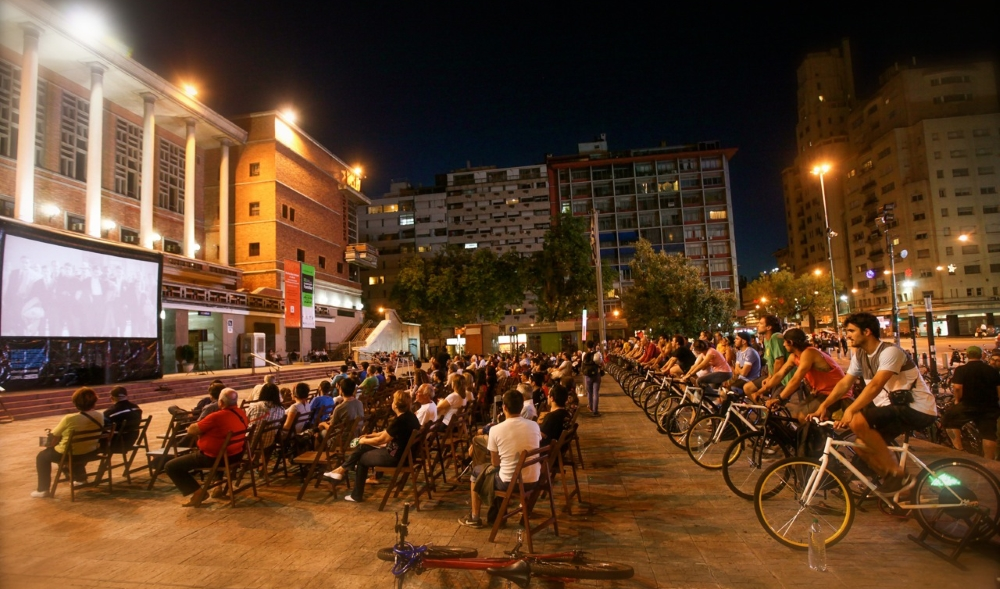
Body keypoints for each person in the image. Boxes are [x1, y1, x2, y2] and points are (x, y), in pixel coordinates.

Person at [808, 313, 937, 495]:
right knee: (861, 445)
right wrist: (823, 406)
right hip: (893, 408)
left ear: (867, 331)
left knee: (857, 420)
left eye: (851, 331)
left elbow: (876, 385)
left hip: (917, 408)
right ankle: (902, 489)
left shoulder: (890, 352)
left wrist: (851, 410)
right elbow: (845, 383)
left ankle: (898, 475)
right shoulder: (861, 355)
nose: (848, 335)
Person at [459, 389, 542, 528]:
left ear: (504, 407)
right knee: (497, 471)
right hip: (534, 479)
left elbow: (495, 462)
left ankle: (475, 517)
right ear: (521, 407)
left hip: (510, 482)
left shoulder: (496, 430)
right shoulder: (534, 425)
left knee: (477, 473)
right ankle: (497, 515)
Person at [324, 390, 421, 502]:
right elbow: (386, 433)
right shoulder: (409, 416)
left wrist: (364, 440)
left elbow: (382, 440)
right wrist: (369, 436)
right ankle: (340, 470)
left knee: (362, 458)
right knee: (363, 448)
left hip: (395, 457)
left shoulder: (400, 421)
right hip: (404, 454)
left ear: (395, 405)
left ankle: (356, 494)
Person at [165, 388, 248, 507]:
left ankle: (198, 492)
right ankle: (216, 483)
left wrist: (191, 428)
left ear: (221, 402)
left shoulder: (216, 416)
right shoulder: (241, 413)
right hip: (236, 454)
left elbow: (193, 430)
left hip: (215, 457)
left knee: (171, 466)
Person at [33, 387, 105, 497]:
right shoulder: (100, 415)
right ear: (94, 401)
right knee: (76, 445)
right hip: (90, 451)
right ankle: (80, 478)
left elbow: (54, 435)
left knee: (42, 456)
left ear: (75, 403)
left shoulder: (69, 418)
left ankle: (42, 490)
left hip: (70, 454)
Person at [765, 328, 848, 420]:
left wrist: (779, 398)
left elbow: (795, 380)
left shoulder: (809, 353)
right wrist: (761, 390)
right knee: (797, 412)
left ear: (791, 342)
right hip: (821, 392)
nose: (783, 345)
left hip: (835, 392)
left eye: (784, 342)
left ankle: (820, 434)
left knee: (803, 416)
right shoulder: (794, 356)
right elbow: (780, 374)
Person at [942, 346, 1000, 460]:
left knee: (949, 420)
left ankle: (959, 450)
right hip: (990, 406)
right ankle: (989, 460)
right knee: (989, 433)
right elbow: (999, 389)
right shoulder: (991, 370)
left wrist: (957, 400)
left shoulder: (961, 370)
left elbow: (957, 388)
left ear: (967, 356)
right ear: (982, 355)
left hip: (968, 404)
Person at [744, 315, 791, 399]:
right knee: (747, 388)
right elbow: (770, 363)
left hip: (783, 378)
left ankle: (769, 409)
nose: (757, 325)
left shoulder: (776, 337)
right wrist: (769, 377)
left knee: (772, 402)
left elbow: (779, 361)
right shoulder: (766, 340)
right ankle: (764, 410)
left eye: (761, 323)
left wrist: (772, 379)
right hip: (774, 375)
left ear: (769, 327)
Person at [245, 382, 285, 451]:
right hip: (269, 443)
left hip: (250, 443)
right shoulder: (281, 410)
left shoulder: (254, 407)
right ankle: (256, 459)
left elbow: (245, 422)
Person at [581, 341, 604, 417]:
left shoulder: (584, 354)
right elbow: (601, 363)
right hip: (596, 374)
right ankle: (595, 410)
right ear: (594, 346)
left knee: (589, 392)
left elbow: (583, 363)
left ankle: (590, 407)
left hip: (587, 376)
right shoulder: (597, 354)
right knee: (595, 393)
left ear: (587, 346)